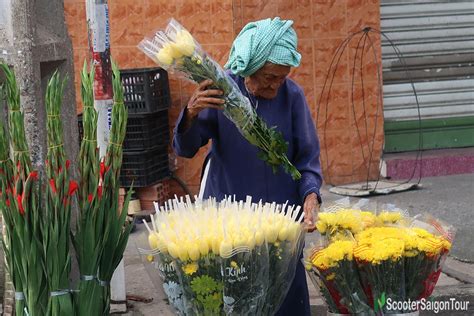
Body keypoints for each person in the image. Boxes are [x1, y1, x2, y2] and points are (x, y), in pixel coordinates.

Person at [173, 17, 322, 315]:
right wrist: (190, 113)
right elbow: (187, 148)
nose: (275, 84)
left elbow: (307, 160)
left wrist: (310, 195)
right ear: (249, 68)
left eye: (282, 77)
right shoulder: (224, 91)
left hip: (280, 226)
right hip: (231, 223)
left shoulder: (292, 96)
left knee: (285, 300)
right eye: (269, 77)